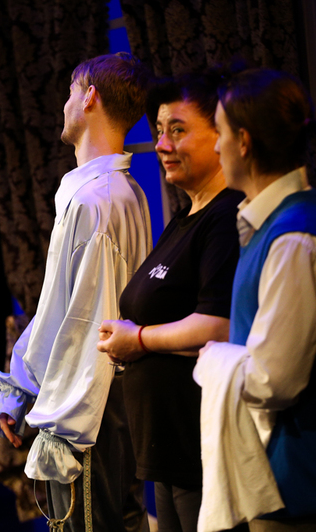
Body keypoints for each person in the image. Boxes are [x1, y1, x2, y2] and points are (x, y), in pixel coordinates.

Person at [0, 53, 152, 532]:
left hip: (90, 414)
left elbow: (89, 328)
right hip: (98, 407)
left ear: (89, 96)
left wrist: (63, 427)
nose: (66, 103)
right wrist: (21, 390)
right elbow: (61, 309)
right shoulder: (112, 192)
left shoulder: (100, 200)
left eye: (72, 91)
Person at [195, 68, 316, 532]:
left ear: (244, 141)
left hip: (300, 487)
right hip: (278, 484)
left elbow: (273, 379)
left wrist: (214, 360)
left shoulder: (293, 240)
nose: (216, 147)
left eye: (220, 133)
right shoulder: (271, 225)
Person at [96, 72, 244, 532]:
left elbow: (219, 326)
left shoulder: (227, 218)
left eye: (177, 130)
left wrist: (138, 339)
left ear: (221, 134)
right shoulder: (184, 220)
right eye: (159, 131)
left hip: (201, 448)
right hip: (166, 452)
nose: (162, 144)